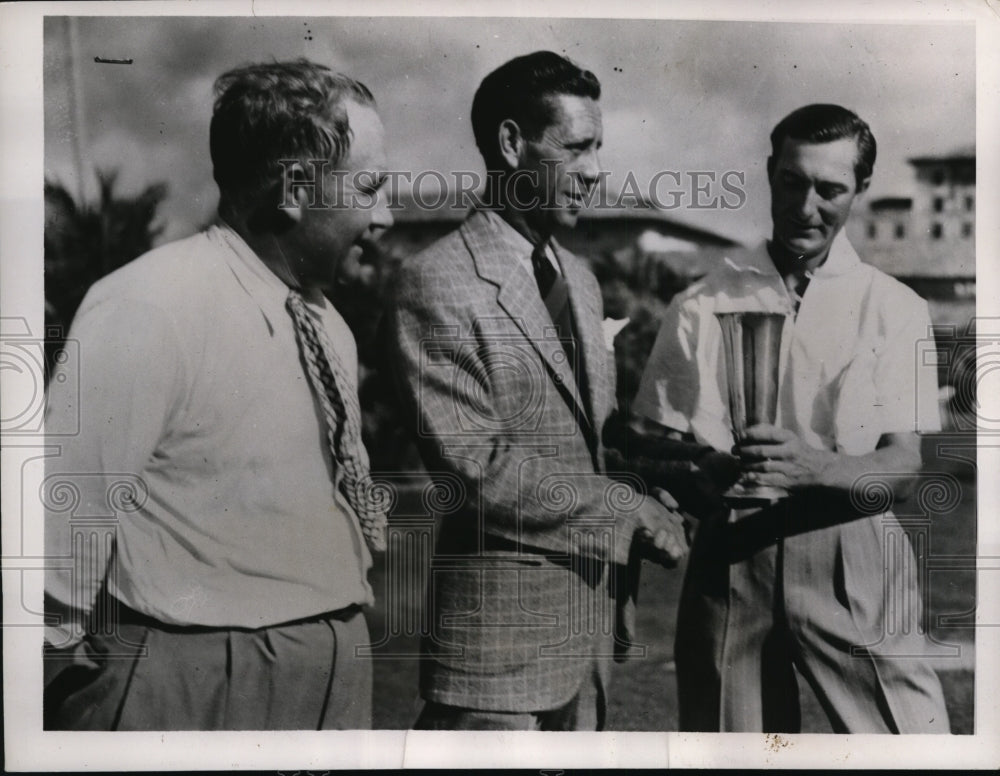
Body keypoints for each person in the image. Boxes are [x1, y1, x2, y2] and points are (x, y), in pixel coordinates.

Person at [42, 59, 393, 730]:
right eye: (372, 185)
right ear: (295, 187)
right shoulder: (149, 304)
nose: (388, 213)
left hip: (333, 667)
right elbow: (63, 516)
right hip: (193, 677)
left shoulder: (330, 325)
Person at [384, 50, 688, 731]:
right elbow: (475, 468)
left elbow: (587, 439)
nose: (596, 171)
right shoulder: (436, 282)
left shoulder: (578, 278)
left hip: (588, 646)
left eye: (599, 148)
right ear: (512, 145)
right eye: (576, 148)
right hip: (496, 666)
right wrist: (622, 509)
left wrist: (653, 483)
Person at [626, 103, 950, 733]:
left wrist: (816, 466)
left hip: (851, 547)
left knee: (909, 741)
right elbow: (652, 447)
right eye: (791, 182)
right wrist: (701, 471)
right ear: (770, 173)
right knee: (731, 750)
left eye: (830, 189)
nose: (806, 207)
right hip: (730, 551)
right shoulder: (700, 301)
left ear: (860, 189)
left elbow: (904, 467)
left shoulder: (894, 307)